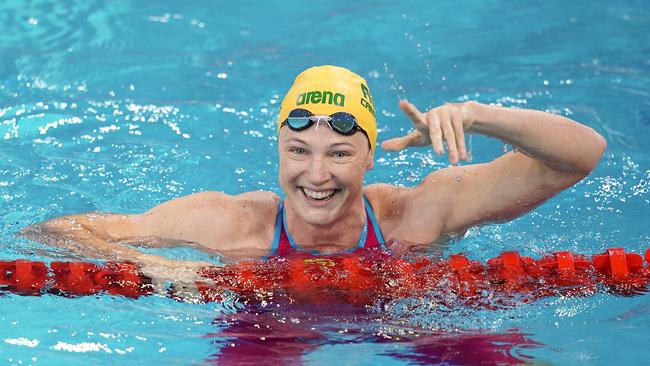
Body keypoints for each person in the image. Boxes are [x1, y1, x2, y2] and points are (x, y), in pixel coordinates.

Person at [22, 65, 606, 285]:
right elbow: (56, 231)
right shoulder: (227, 224)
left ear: (372, 156)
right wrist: (154, 265)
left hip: (417, 332)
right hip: (263, 332)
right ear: (278, 149)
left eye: (340, 153)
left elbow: (581, 157)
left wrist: (482, 116)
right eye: (298, 151)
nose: (316, 174)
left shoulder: (421, 212)